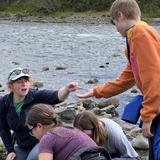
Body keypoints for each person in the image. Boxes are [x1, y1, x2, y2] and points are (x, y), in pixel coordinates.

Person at [76, 0, 160, 159]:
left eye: (114, 23)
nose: (115, 29)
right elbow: (127, 78)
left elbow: (154, 77)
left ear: (120, 16)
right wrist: (96, 91)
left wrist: (148, 117)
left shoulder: (140, 33)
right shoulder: (134, 37)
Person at [0, 67, 79, 160]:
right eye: (19, 81)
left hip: (42, 142)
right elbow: (3, 129)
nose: (24, 84)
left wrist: (67, 89)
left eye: (26, 81)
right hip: (23, 145)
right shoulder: (4, 103)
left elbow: (56, 97)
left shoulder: (36, 96)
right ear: (11, 85)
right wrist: (10, 150)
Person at [25, 103, 99, 160]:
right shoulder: (71, 129)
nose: (33, 135)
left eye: (31, 131)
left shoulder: (47, 137)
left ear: (39, 126)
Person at [73, 111, 139, 159]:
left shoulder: (114, 133)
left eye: (83, 131)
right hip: (100, 154)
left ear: (93, 127)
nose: (81, 135)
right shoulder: (82, 134)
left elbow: (133, 157)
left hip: (117, 156)